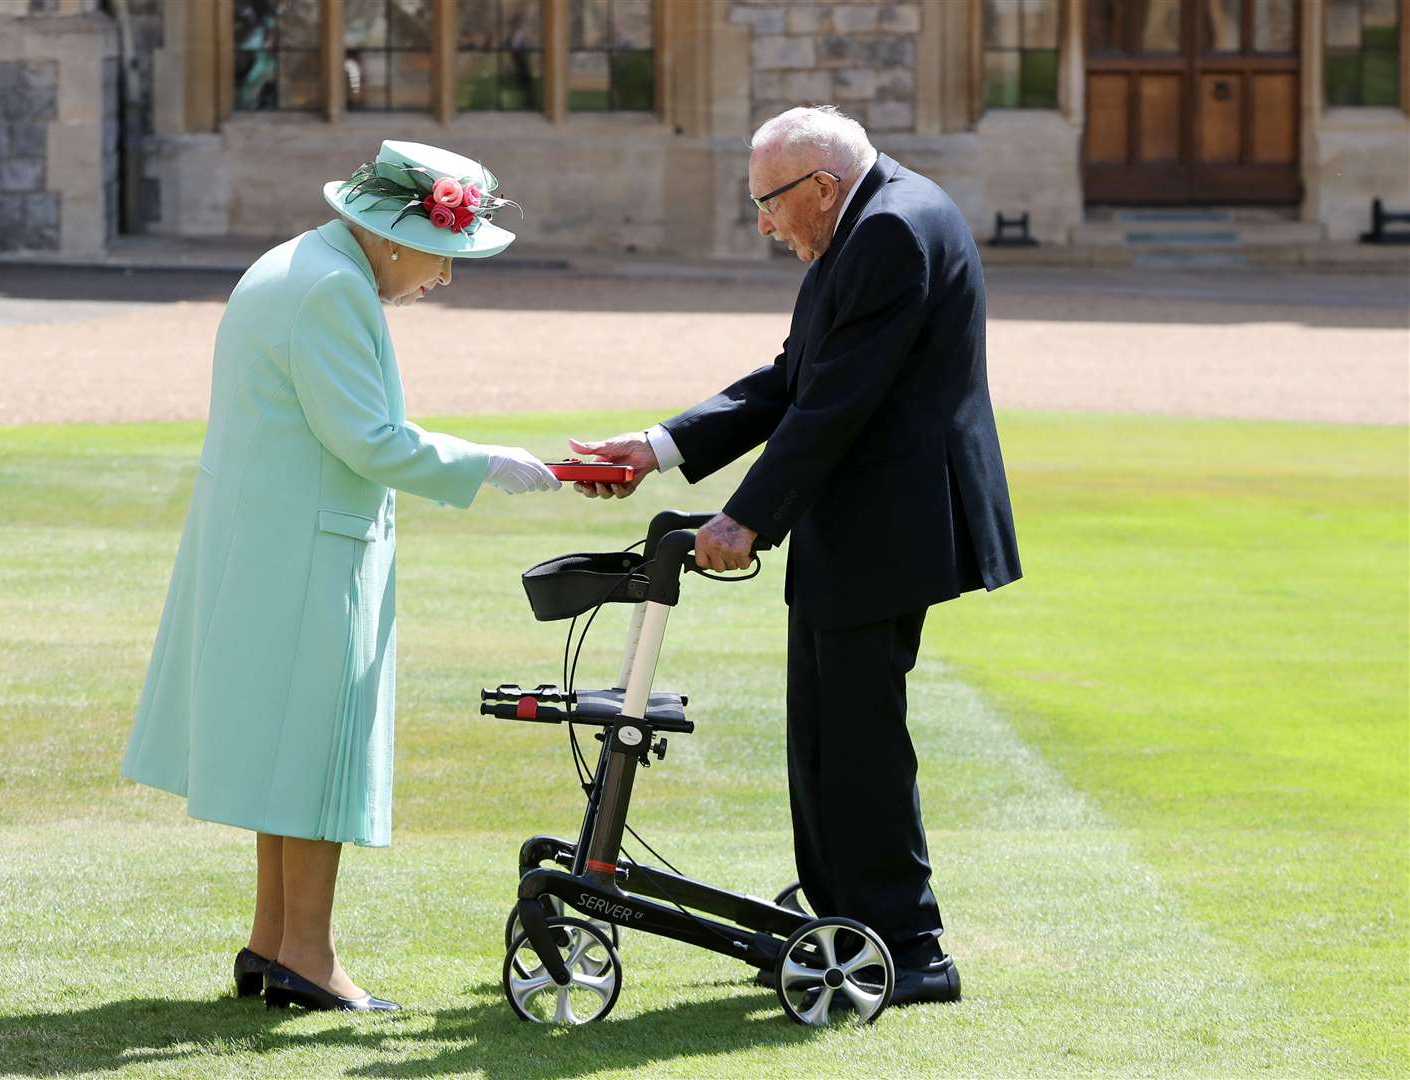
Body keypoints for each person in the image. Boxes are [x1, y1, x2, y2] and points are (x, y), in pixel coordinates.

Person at [570, 106, 1021, 1007]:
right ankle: (843, 909)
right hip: (852, 518)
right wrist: (657, 446)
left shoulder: (890, 230)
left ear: (820, 185)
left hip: (891, 521)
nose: (765, 224)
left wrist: (743, 520)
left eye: (769, 204)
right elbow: (792, 378)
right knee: (822, 733)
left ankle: (909, 944)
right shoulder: (858, 222)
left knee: (857, 739)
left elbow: (836, 406)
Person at [120, 140, 560, 1014]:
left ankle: (275, 944)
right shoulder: (329, 286)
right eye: (445, 254)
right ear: (396, 237)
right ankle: (308, 959)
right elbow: (366, 438)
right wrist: (485, 464)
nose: (445, 277)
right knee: (317, 754)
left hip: (276, 541)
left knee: (291, 752)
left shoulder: (303, 263)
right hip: (307, 552)